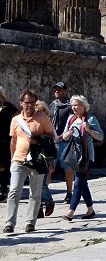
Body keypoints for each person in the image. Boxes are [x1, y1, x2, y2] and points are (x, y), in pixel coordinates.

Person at [5, 89, 55, 233]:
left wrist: (38, 140)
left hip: (37, 161)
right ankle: (9, 223)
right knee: (14, 191)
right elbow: (13, 140)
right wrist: (12, 158)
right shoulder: (16, 120)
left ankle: (30, 222)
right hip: (19, 160)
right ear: (21, 103)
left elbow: (51, 137)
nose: (30, 106)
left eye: (32, 103)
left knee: (35, 193)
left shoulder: (42, 118)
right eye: (27, 103)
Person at [61, 95, 104, 222]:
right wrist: (68, 133)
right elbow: (64, 137)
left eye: (76, 105)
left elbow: (101, 137)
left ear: (83, 106)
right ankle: (90, 210)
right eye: (72, 105)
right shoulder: (71, 119)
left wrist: (88, 130)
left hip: (87, 156)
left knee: (78, 181)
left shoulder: (91, 119)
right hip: (74, 156)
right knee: (82, 183)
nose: (73, 108)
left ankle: (71, 211)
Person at [49, 82, 74, 202]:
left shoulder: (70, 106)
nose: (57, 91)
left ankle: (69, 193)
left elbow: (72, 123)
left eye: (59, 89)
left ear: (65, 91)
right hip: (53, 141)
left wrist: (64, 135)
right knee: (49, 168)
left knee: (68, 169)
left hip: (65, 141)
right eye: (55, 89)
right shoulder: (52, 105)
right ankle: (45, 193)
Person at [34, 101, 57, 218]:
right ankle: (38, 209)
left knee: (42, 183)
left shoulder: (48, 124)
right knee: (35, 184)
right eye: (36, 110)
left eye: (41, 110)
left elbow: (53, 142)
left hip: (46, 157)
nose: (38, 113)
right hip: (33, 156)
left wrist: (52, 160)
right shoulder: (32, 122)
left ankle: (48, 202)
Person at [0, 85, 17, 199]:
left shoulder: (8, 106)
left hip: (5, 139)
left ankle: (4, 189)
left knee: (3, 165)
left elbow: (18, 116)